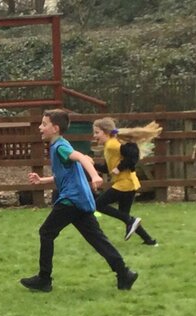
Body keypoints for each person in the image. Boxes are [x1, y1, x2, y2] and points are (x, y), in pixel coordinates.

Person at [20, 109, 138, 292]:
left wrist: (94, 177)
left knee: (46, 232)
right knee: (97, 240)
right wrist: (42, 180)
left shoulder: (60, 146)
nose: (40, 127)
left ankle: (44, 280)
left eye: (44, 124)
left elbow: (82, 157)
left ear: (55, 128)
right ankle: (124, 274)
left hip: (71, 200)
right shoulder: (60, 145)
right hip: (81, 201)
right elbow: (65, 174)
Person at [92, 117, 161, 245]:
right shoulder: (110, 145)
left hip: (125, 184)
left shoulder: (112, 145)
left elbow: (133, 155)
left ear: (106, 132)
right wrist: (92, 164)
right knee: (125, 215)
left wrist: (120, 168)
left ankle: (131, 222)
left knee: (98, 205)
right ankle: (149, 241)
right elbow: (108, 169)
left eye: (97, 132)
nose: (94, 136)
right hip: (129, 183)